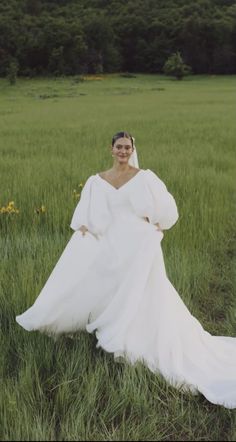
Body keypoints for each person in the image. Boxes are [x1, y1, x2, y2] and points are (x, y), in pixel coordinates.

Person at [16, 131, 236, 409]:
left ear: (132, 149)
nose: (123, 151)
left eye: (127, 147)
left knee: (142, 294)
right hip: (110, 244)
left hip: (136, 244)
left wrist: (157, 225)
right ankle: (102, 328)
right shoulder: (97, 181)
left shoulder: (144, 177)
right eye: (118, 147)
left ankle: (133, 342)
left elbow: (167, 209)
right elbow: (86, 214)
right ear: (111, 149)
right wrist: (84, 232)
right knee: (105, 289)